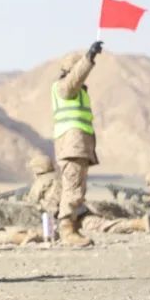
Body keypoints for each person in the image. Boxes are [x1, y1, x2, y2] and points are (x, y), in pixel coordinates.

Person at [50, 43, 104, 247]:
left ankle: (72, 227)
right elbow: (74, 80)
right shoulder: (65, 87)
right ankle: (67, 231)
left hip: (78, 146)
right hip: (71, 145)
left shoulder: (77, 91)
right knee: (72, 189)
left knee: (77, 189)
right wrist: (89, 59)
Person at [26, 154, 150, 236]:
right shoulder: (62, 177)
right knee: (105, 226)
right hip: (79, 211)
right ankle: (139, 224)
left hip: (64, 220)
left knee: (101, 227)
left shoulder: (41, 183)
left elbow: (32, 205)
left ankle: (140, 224)